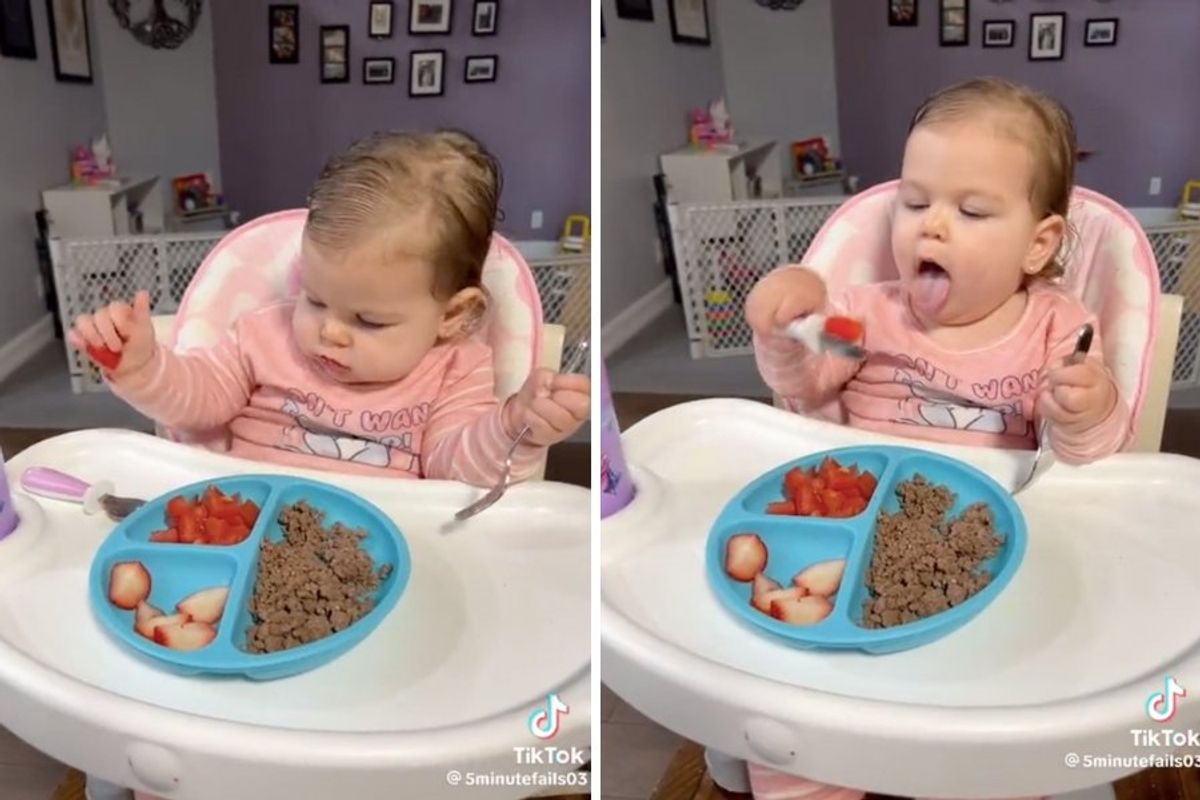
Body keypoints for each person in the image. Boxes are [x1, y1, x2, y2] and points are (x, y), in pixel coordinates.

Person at [741, 77, 1128, 800]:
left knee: (1009, 722)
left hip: (992, 545)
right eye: (914, 203)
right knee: (792, 717)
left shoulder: (1056, 327)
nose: (931, 226)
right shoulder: (866, 313)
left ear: (1038, 243)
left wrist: (1086, 406)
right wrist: (785, 327)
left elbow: (1087, 461)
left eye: (971, 210)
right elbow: (806, 385)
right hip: (855, 529)